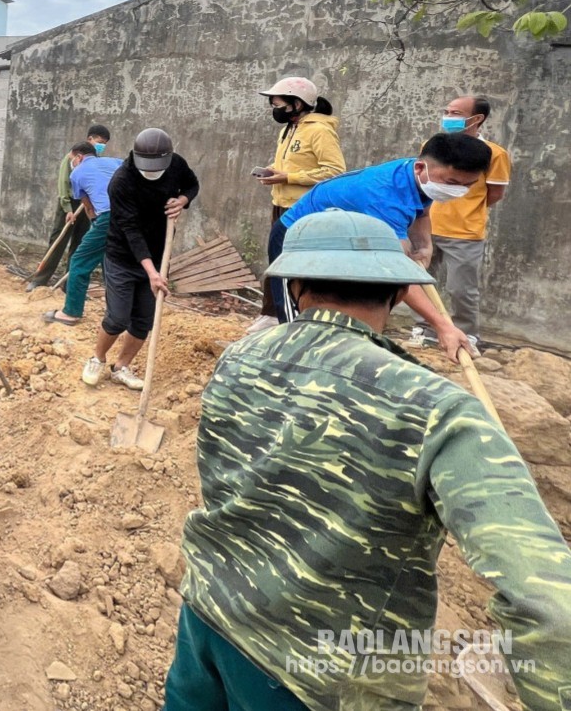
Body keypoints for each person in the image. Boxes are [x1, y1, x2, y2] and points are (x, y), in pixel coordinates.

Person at [165, 210, 571, 711]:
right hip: (317, 677)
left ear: (294, 288)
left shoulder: (239, 355)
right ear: (399, 293)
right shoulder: (439, 411)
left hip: (207, 616)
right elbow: (551, 605)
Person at [275, 133, 491, 361]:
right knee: (300, 319)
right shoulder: (383, 197)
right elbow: (395, 275)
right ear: (420, 168)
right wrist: (442, 325)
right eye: (452, 183)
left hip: (344, 238)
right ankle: (290, 363)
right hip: (298, 237)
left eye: (468, 185)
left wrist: (424, 245)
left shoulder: (420, 178)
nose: (459, 191)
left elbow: (423, 210)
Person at [83, 128, 198, 390]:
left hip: (158, 254)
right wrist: (151, 273)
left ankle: (121, 367)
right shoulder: (122, 181)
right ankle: (97, 359)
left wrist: (182, 200)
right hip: (123, 256)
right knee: (117, 318)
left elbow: (192, 185)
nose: (152, 173)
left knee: (144, 320)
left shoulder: (176, 164)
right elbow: (131, 231)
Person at [246, 77, 344, 334]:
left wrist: (289, 177)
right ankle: (271, 313)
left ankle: (291, 318)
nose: (274, 109)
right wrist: (274, 172)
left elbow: (335, 171)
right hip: (280, 203)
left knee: (293, 265)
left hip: (302, 208)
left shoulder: (319, 130)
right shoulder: (289, 129)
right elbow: (295, 164)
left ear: (297, 103)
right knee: (276, 260)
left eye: (278, 104)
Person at [413, 95, 511, 349]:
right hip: (427, 225)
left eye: (455, 112)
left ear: (477, 118)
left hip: (465, 232)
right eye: (447, 110)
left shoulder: (495, 154)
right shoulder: (432, 145)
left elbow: (495, 193)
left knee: (461, 289)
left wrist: (466, 209)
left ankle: (466, 334)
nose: (448, 116)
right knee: (421, 280)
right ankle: (424, 329)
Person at [42, 139, 122, 326]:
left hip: (108, 217)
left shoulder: (77, 173)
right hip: (132, 216)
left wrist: (97, 224)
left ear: (79, 157)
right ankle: (117, 311)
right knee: (111, 261)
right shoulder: (116, 162)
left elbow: (89, 206)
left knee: (79, 261)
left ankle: (71, 312)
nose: (72, 163)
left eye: (72, 159)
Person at [30, 126, 111, 289]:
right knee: (58, 241)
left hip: (87, 205)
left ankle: (69, 284)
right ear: (90, 139)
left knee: (79, 243)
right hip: (70, 204)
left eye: (104, 143)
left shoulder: (98, 160)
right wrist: (68, 209)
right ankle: (39, 280)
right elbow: (63, 183)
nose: (102, 146)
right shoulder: (73, 156)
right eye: (99, 142)